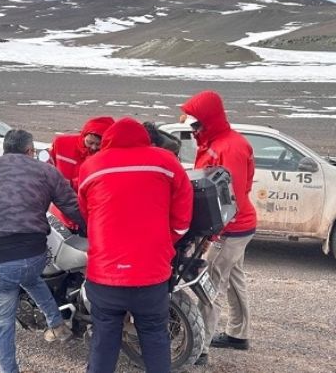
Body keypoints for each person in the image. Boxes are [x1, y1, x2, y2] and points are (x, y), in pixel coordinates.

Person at [0, 129, 84, 373]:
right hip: (35, 256)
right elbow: (72, 206)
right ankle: (56, 323)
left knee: (3, 324)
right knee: (29, 277)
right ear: (30, 151)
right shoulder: (46, 170)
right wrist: (89, 228)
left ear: (5, 148)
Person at [77, 117, 194, 373]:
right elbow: (182, 219)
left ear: (108, 139)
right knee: (154, 338)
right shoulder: (166, 162)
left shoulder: (91, 166)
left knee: (103, 342)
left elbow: (87, 214)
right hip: (151, 274)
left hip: (105, 274)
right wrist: (163, 242)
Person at [180, 90, 257, 366]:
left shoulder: (230, 147)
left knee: (210, 283)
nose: (193, 128)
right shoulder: (214, 142)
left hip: (230, 228)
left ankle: (200, 347)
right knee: (234, 277)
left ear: (209, 120)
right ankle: (239, 334)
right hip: (236, 225)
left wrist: (212, 232)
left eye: (197, 123)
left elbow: (231, 196)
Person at [49, 115, 115, 190]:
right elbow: (48, 167)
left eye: (98, 144)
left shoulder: (110, 156)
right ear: (83, 136)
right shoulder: (61, 144)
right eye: (90, 142)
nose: (93, 147)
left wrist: (71, 184)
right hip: (60, 196)